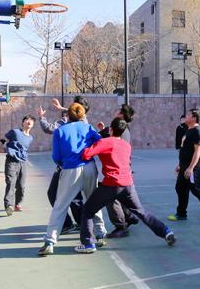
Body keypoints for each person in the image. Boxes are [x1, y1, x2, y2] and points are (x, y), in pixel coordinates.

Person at [75, 117, 176, 253]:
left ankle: (88, 244)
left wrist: (89, 142)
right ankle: (166, 232)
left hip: (112, 184)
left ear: (110, 129)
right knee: (141, 212)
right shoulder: (126, 145)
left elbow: (86, 155)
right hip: (128, 184)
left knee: (88, 210)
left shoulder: (105, 142)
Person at [38, 103, 107, 256]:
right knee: (92, 201)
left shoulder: (60, 131)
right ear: (82, 116)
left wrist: (66, 163)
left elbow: (56, 157)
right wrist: (89, 153)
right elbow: (100, 142)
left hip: (70, 169)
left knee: (60, 205)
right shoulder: (88, 128)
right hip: (90, 167)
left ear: (67, 116)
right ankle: (100, 234)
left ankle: (50, 241)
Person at [38, 100, 84, 234]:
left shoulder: (70, 124)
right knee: (74, 195)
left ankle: (71, 224)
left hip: (67, 166)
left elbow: (49, 129)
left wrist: (42, 117)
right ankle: (79, 223)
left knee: (56, 194)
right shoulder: (83, 124)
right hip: (78, 166)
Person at [168, 108, 200, 225]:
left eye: (188, 115)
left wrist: (191, 168)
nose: (185, 116)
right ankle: (181, 214)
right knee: (180, 187)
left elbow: (197, 152)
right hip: (184, 165)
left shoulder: (198, 131)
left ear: (193, 118)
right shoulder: (189, 130)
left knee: (196, 189)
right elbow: (186, 150)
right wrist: (180, 165)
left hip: (194, 166)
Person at [100, 104, 140, 239]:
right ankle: (129, 216)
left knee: (111, 198)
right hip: (123, 169)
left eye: (118, 110)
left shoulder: (119, 129)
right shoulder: (124, 129)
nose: (115, 111)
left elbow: (105, 142)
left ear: (121, 115)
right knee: (122, 195)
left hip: (117, 170)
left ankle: (120, 226)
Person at [0, 115, 35, 216]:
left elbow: (23, 150)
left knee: (21, 186)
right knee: (11, 183)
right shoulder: (15, 132)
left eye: (31, 121)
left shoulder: (30, 138)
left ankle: (17, 204)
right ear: (23, 123)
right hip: (11, 162)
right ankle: (9, 206)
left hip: (23, 163)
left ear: (33, 125)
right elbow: (3, 140)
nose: (29, 122)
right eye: (26, 120)